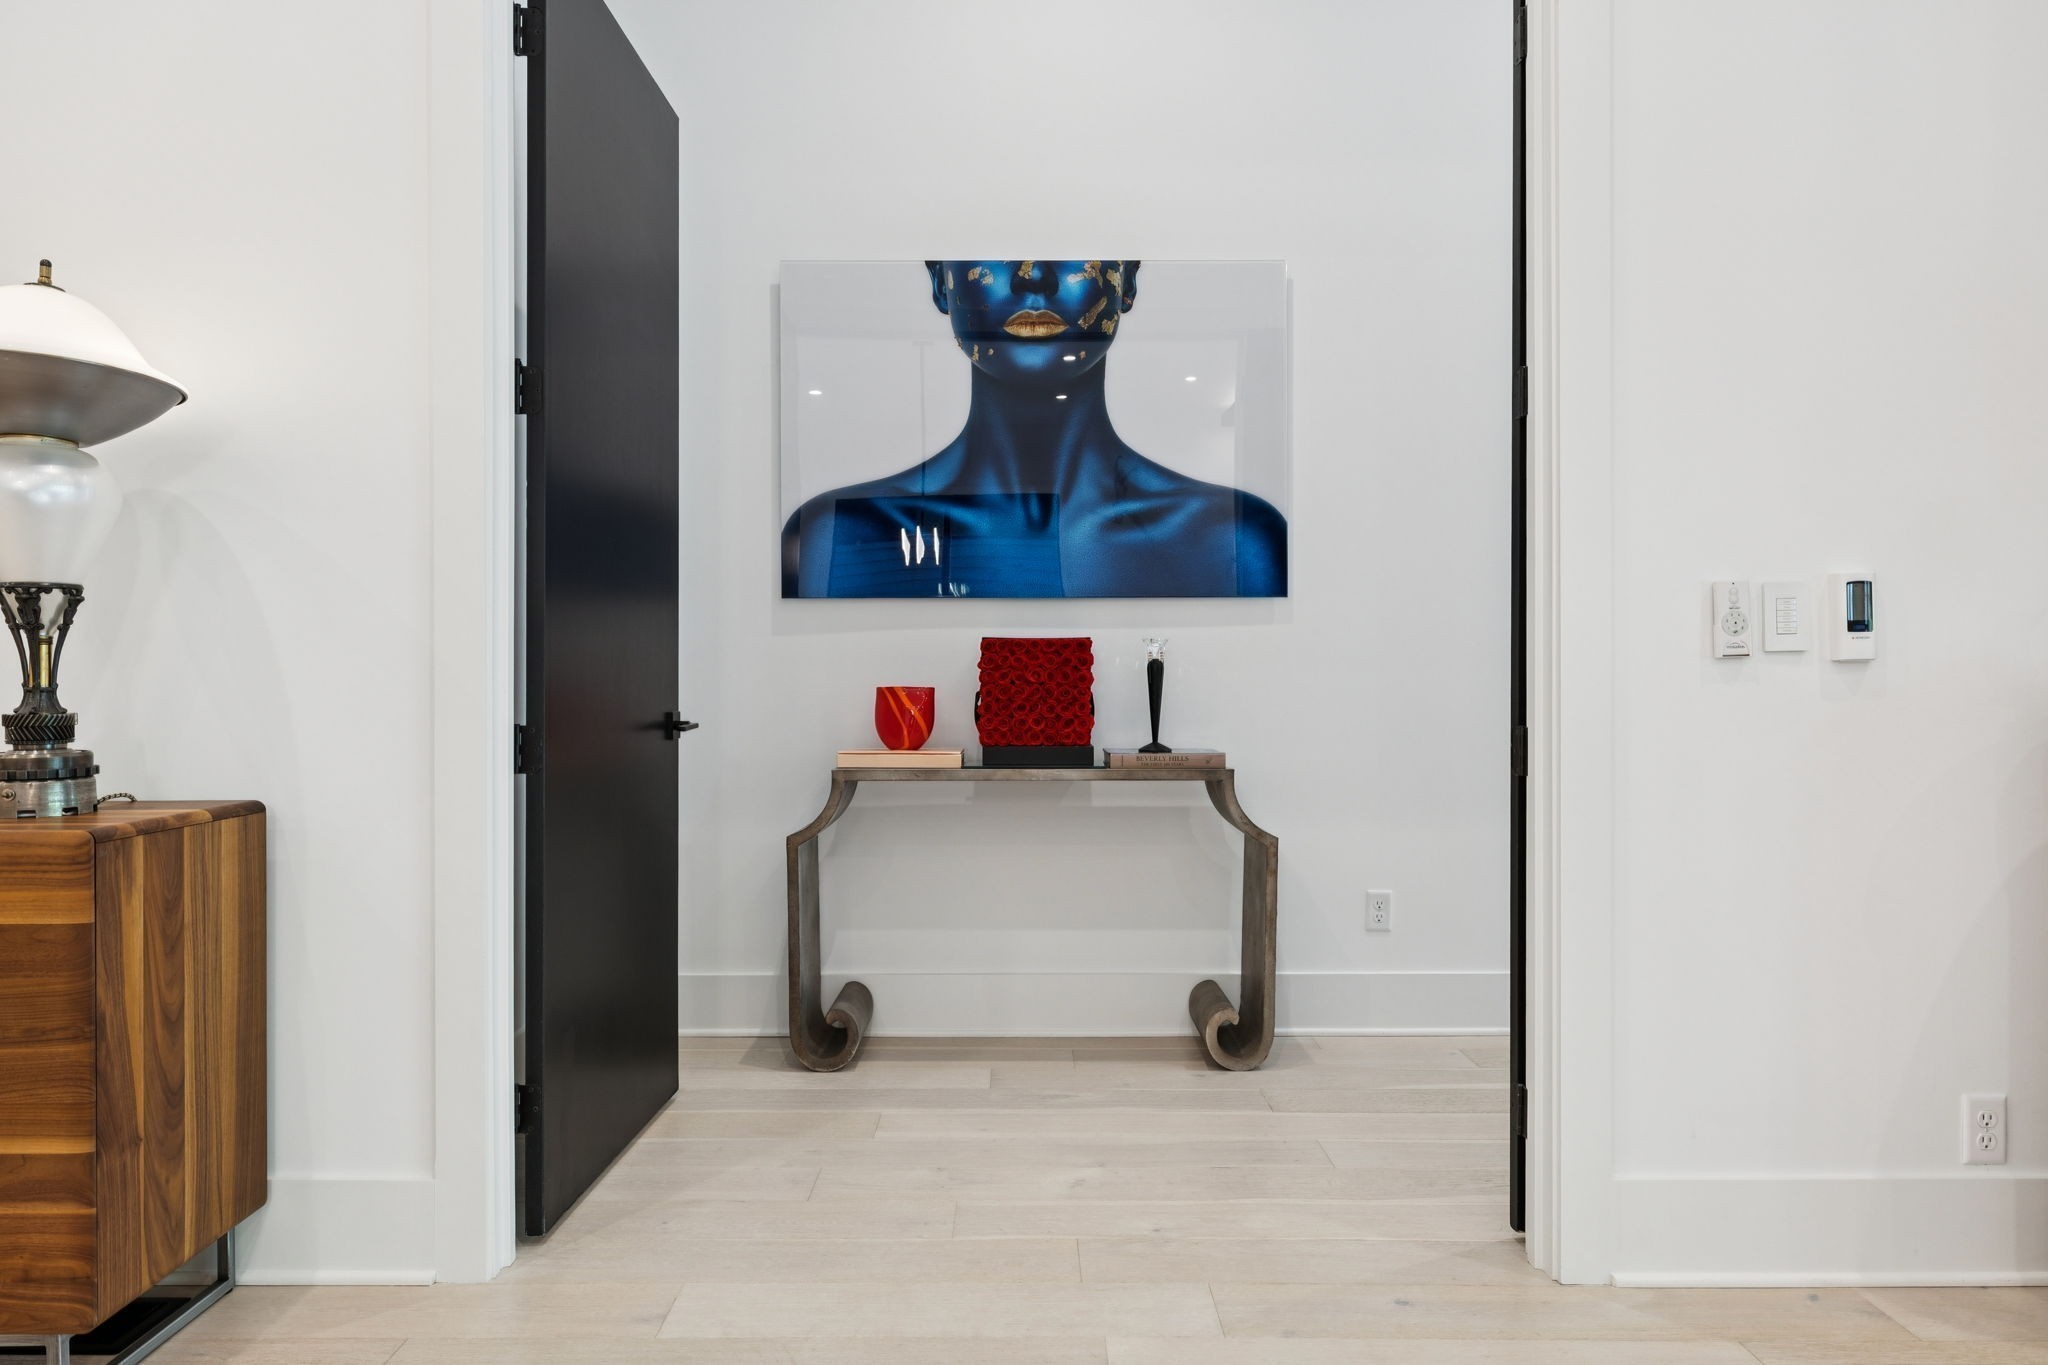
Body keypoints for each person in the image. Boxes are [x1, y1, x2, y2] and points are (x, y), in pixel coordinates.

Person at [781, 259, 1287, 598]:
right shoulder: (837, 533)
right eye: (995, 254)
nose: (1031, 276)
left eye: (1071, 255)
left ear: (1127, 282)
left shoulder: (1234, 537)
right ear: (941, 283)